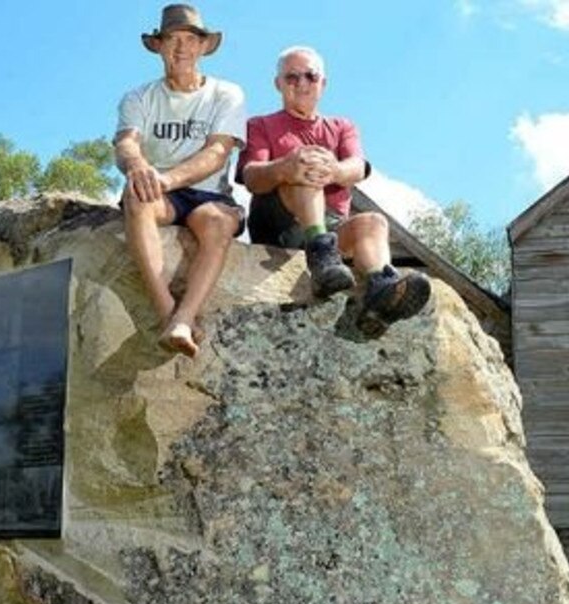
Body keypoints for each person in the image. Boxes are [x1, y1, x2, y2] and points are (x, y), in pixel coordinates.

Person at [237, 46, 431, 336]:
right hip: (279, 222)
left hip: (332, 224)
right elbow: (250, 175)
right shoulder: (260, 125)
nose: (302, 83)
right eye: (291, 77)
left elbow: (359, 166)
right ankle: (321, 256)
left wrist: (336, 171)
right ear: (278, 84)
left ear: (322, 84)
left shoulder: (342, 127)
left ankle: (380, 292)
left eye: (310, 76)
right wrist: (286, 168)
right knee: (306, 169)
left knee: (374, 222)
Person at [115, 4, 246, 358]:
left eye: (191, 39)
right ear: (158, 45)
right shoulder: (138, 97)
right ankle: (167, 313)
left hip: (208, 194)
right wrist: (137, 166)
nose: (182, 48)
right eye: (173, 38)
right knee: (136, 198)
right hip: (161, 193)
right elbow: (126, 141)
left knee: (217, 224)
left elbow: (218, 152)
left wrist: (165, 178)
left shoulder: (227, 94)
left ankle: (186, 317)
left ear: (204, 47)